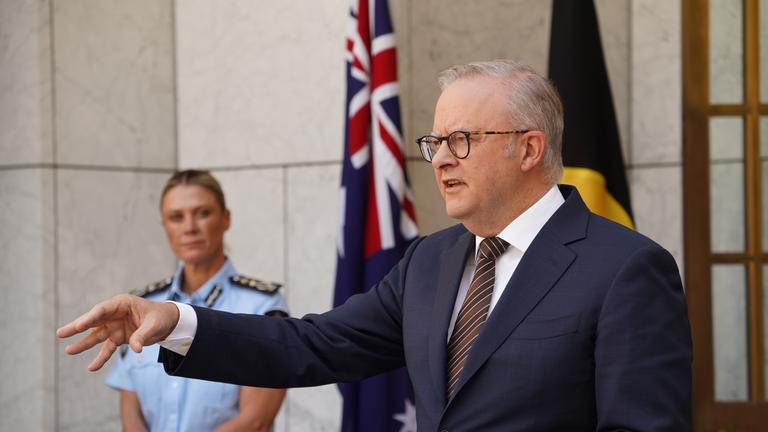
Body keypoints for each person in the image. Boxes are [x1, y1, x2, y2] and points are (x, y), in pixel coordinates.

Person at [58, 60, 692, 431]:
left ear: (528, 148)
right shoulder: (431, 261)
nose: (440, 160)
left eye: (461, 140)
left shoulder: (626, 269)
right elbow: (313, 345)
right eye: (434, 142)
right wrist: (176, 321)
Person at [106, 170, 289, 432]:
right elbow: (130, 413)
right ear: (165, 226)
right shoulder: (143, 305)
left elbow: (255, 422)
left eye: (202, 213)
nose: (189, 227)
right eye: (176, 217)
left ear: (226, 219)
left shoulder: (261, 307)